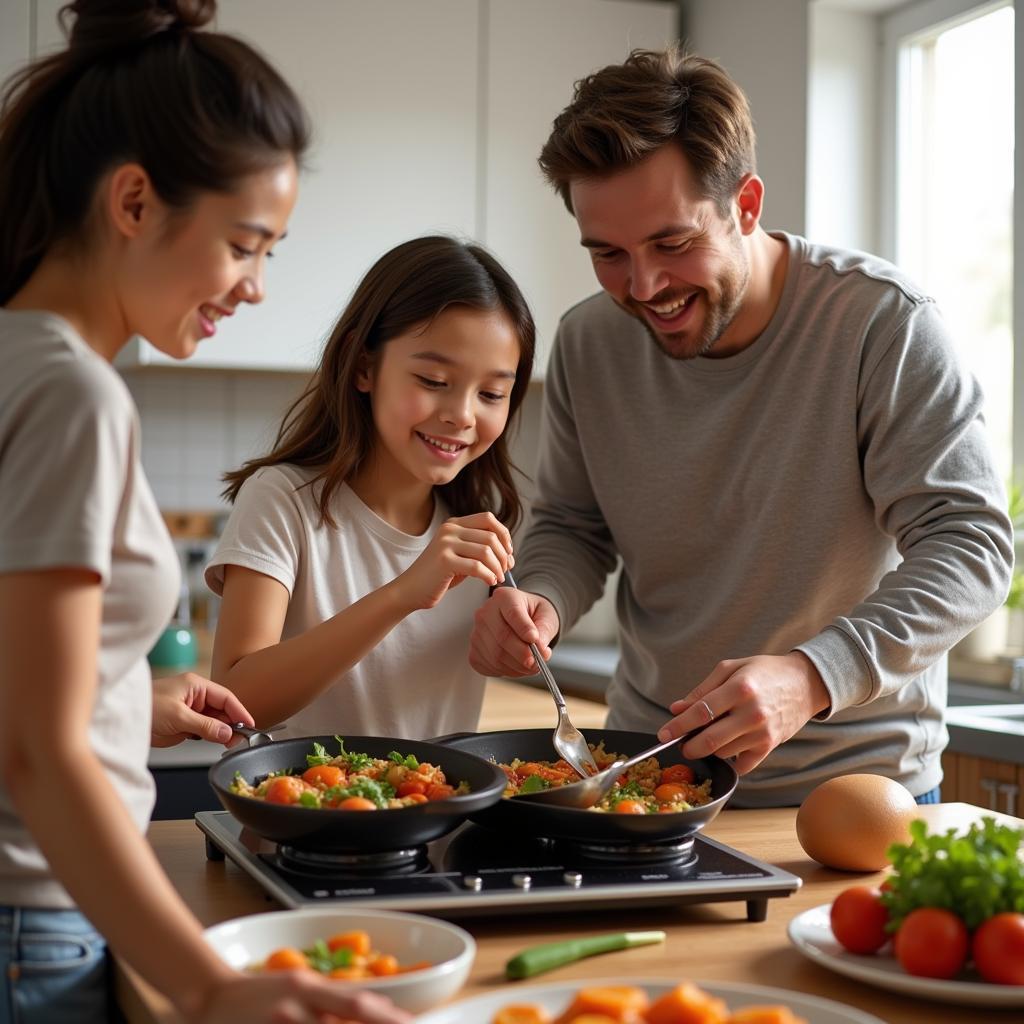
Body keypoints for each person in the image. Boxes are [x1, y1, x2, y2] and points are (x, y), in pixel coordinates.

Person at [0, 1, 410, 1021]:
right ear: (134, 201)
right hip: (26, 922)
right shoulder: (71, 393)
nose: (258, 287)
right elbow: (34, 750)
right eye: (245, 244)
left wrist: (131, 705)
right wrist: (208, 983)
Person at [467, 47, 1014, 808]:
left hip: (852, 792)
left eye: (672, 243)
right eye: (609, 255)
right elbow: (573, 525)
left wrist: (811, 675)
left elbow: (972, 544)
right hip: (652, 780)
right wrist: (545, 603)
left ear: (746, 204)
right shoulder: (590, 343)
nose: (645, 286)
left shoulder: (881, 325)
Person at [206, 235, 534, 739]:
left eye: (491, 393)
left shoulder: (478, 529)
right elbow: (233, 702)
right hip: (303, 814)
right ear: (364, 366)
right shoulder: (283, 500)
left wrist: (516, 642)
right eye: (432, 380)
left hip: (437, 815)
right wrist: (403, 593)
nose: (462, 415)